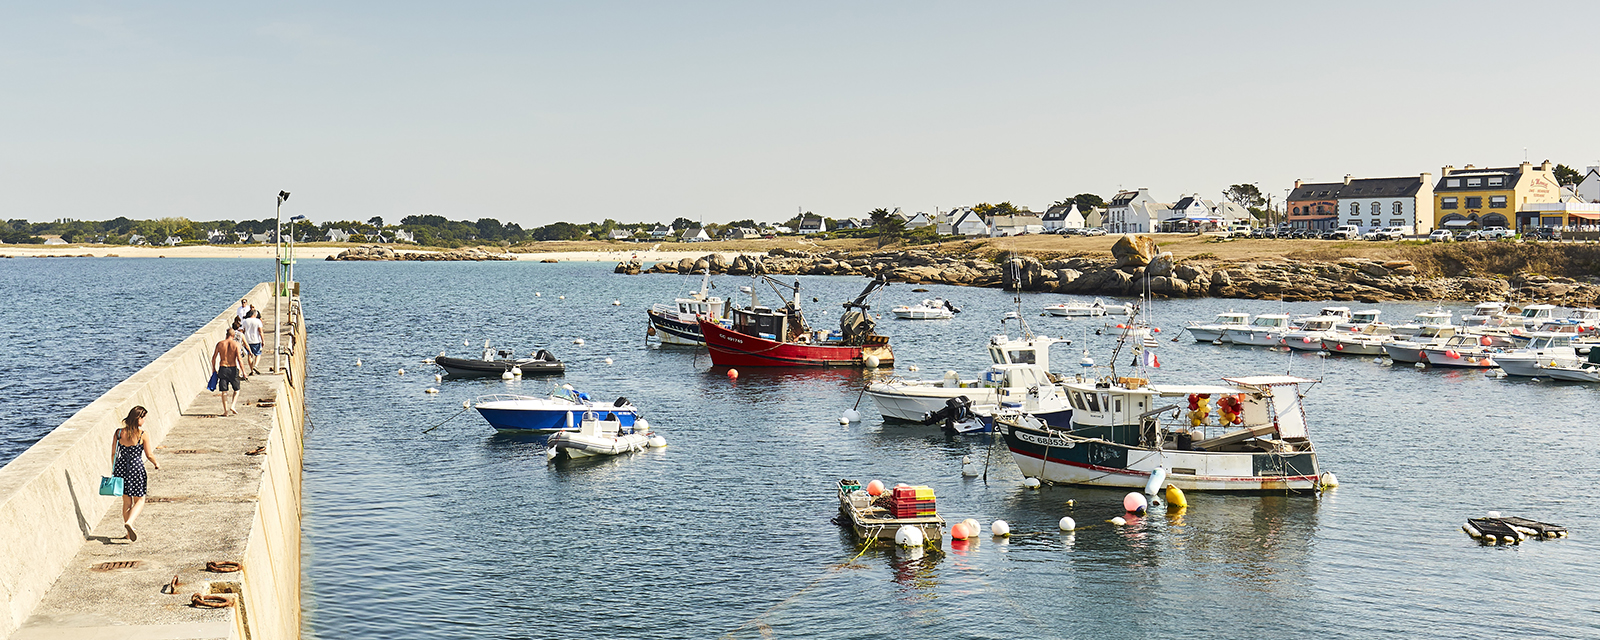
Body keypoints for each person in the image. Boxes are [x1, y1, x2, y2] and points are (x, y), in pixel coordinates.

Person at [112, 406, 159, 542]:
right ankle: (130, 523)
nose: (144, 420)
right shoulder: (142, 434)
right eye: (143, 418)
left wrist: (114, 469)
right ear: (138, 418)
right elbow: (149, 454)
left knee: (126, 501)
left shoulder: (119, 433)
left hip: (121, 468)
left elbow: (114, 453)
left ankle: (128, 534)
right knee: (140, 500)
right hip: (136, 468)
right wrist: (156, 463)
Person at [212, 326, 244, 416]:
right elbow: (239, 359)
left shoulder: (220, 344)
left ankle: (225, 411)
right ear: (233, 335)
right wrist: (243, 371)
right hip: (233, 368)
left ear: (227, 335)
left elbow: (213, 358)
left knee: (224, 391)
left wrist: (213, 369)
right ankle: (233, 406)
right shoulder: (236, 344)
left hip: (223, 368)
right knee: (237, 390)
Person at [240, 309, 264, 375]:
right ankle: (255, 366)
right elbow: (260, 331)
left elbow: (242, 331)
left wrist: (242, 340)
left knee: (249, 355)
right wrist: (263, 340)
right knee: (258, 354)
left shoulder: (245, 321)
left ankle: (252, 370)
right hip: (256, 340)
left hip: (247, 340)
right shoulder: (258, 321)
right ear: (255, 314)